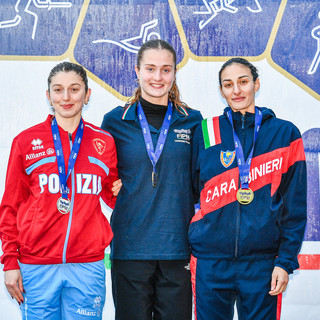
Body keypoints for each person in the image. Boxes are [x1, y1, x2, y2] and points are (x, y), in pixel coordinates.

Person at [189, 57, 307, 320]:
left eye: (243, 82)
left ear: (256, 84)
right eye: (228, 84)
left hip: (262, 263)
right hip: (211, 261)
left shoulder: (285, 134)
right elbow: (191, 193)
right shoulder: (206, 131)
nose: (236, 90)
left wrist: (285, 262)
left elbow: (295, 206)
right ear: (221, 91)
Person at [0, 62, 118, 319]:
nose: (66, 97)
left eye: (74, 89)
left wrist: (122, 191)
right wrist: (10, 261)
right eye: (58, 90)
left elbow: (111, 193)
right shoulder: (26, 142)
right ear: (48, 96)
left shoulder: (104, 142)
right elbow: (10, 207)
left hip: (87, 265)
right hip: (36, 265)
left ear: (87, 95)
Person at [101, 39, 202, 320]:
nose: (158, 77)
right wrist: (114, 190)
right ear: (137, 70)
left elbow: (201, 183)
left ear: (174, 73)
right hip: (130, 247)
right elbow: (104, 180)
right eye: (150, 69)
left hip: (177, 246)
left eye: (166, 70)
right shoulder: (114, 121)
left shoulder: (193, 121)